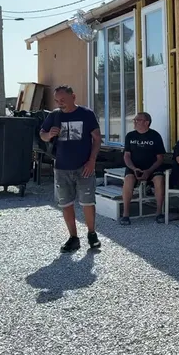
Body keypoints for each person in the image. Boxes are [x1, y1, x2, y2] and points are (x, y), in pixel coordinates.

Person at [40, 85, 103, 252]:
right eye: (57, 101)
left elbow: (97, 138)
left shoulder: (86, 114)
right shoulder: (54, 115)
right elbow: (42, 134)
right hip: (61, 167)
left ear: (73, 97)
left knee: (87, 202)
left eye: (63, 100)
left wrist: (92, 161)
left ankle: (92, 234)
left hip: (84, 167)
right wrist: (49, 135)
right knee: (66, 204)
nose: (60, 104)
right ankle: (73, 238)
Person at [120, 112, 166, 225]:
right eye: (134, 120)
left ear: (146, 122)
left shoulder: (155, 136)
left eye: (138, 120)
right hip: (134, 167)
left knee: (159, 180)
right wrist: (133, 168)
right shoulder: (130, 136)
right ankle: (125, 214)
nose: (135, 122)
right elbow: (126, 155)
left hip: (152, 168)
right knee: (128, 180)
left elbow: (160, 158)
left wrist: (149, 171)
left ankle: (159, 212)